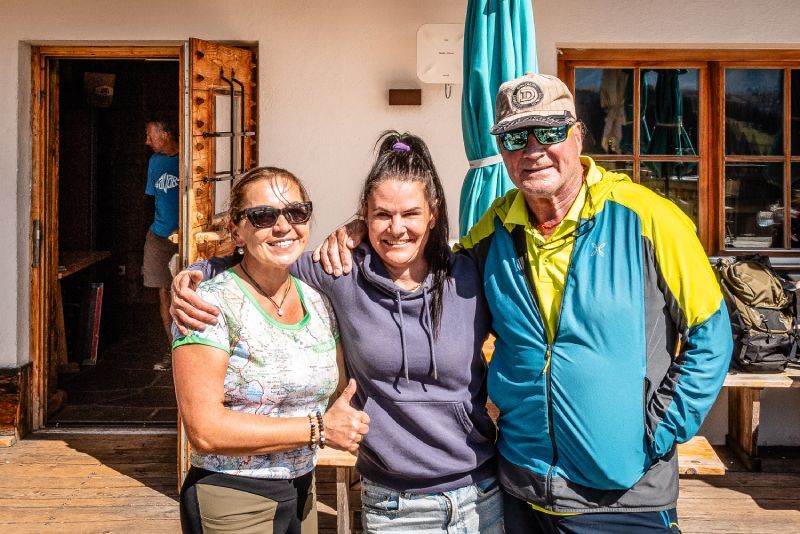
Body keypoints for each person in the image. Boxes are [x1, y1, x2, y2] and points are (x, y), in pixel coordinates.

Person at [313, 75, 734, 533]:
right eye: (515, 137)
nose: (532, 149)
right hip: (519, 489)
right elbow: (425, 260)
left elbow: (711, 337)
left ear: (577, 135)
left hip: (622, 496)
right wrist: (362, 229)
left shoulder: (650, 219)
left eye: (549, 132)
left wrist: (655, 431)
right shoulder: (496, 229)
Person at [171, 132, 504, 533]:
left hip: (481, 493)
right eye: (382, 214)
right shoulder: (338, 273)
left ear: (433, 214)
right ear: (364, 214)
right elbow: (265, 259)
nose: (396, 228)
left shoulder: (470, 276)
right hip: (395, 502)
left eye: (410, 214)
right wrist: (196, 274)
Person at [172, 166, 370, 534]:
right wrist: (318, 429)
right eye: (263, 216)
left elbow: (337, 395)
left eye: (296, 212)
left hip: (303, 491)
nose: (283, 226)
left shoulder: (318, 302)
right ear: (236, 230)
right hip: (233, 495)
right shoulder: (208, 304)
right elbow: (205, 429)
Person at [143, 116, 180, 370]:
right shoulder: (154, 162)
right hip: (159, 236)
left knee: (189, 292)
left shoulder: (187, 159)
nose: (147, 141)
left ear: (165, 134)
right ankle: (173, 349)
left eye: (150, 135)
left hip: (186, 237)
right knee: (163, 292)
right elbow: (152, 199)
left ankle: (193, 350)